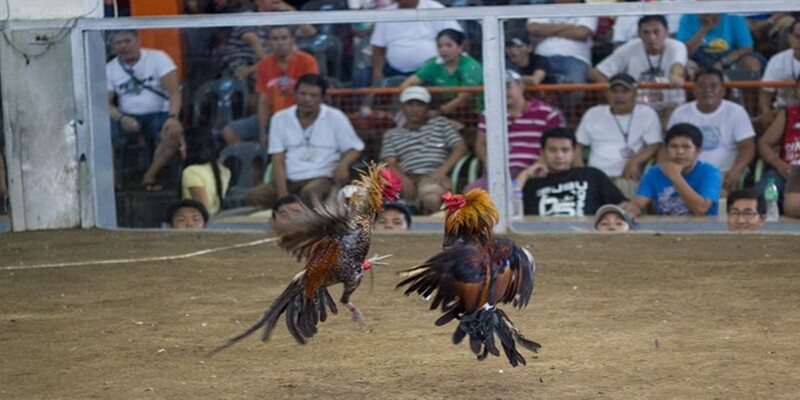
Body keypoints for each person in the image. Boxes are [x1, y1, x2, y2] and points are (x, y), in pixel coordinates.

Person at [244, 74, 364, 208]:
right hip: (290, 179)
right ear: (294, 94)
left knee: (311, 193)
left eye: (313, 95)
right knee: (255, 195)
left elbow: (356, 148)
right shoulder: (280, 118)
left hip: (322, 177)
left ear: (322, 98)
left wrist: (343, 165)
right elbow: (277, 159)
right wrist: (283, 196)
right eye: (303, 94)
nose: (307, 99)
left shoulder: (335, 117)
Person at [106, 30, 184, 191]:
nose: (123, 46)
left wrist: (173, 117)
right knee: (103, 139)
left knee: (172, 134)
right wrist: (121, 118)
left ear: (138, 41)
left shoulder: (158, 58)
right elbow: (105, 104)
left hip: (160, 113)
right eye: (118, 43)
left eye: (127, 41)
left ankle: (149, 176)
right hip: (127, 116)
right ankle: (114, 185)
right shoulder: (110, 68)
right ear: (113, 48)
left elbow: (175, 92)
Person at [221, 25, 320, 146]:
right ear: (269, 43)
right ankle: (256, 164)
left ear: (292, 40)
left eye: (284, 38)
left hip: (299, 117)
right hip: (272, 116)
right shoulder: (264, 65)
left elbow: (312, 96)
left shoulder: (307, 61)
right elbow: (263, 100)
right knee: (229, 131)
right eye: (275, 39)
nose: (280, 43)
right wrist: (263, 131)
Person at [468, 70, 564, 191]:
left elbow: (555, 144)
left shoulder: (547, 113)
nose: (503, 92)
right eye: (498, 88)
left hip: (535, 171)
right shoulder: (489, 115)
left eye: (508, 87)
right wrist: (488, 163)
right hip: (499, 174)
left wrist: (535, 167)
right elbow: (481, 144)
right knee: (470, 194)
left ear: (521, 87)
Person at [380, 86, 468, 215]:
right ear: (403, 108)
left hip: (433, 176)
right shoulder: (392, 134)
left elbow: (460, 148)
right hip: (405, 176)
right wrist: (403, 179)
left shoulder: (441, 124)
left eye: (419, 105)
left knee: (431, 199)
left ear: (427, 108)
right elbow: (390, 161)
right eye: (409, 104)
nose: (414, 109)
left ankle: (433, 234)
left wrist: (441, 172)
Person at [667, 68, 756, 194]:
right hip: (686, 172)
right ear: (694, 90)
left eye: (713, 86)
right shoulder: (680, 113)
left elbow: (747, 147)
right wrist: (670, 171)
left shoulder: (736, 112)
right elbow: (667, 147)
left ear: (723, 91)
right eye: (702, 86)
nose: (707, 90)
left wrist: (736, 170)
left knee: (715, 196)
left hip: (724, 173)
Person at [574, 73, 662, 199]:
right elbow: (578, 145)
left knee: (623, 209)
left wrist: (635, 161)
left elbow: (655, 144)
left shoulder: (647, 114)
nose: (619, 96)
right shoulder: (593, 113)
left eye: (625, 91)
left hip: (626, 177)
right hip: (595, 177)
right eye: (614, 91)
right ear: (607, 94)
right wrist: (580, 171)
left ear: (635, 93)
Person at [589, 15, 687, 120]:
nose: (652, 37)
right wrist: (612, 93)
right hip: (638, 109)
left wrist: (676, 76)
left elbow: (677, 65)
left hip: (670, 107)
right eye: (646, 32)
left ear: (666, 32)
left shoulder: (677, 46)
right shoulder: (629, 48)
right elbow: (595, 73)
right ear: (639, 34)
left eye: (656, 32)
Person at [520, 127, 628, 217]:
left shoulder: (592, 175)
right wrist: (525, 174)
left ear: (573, 152)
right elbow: (508, 208)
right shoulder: (532, 183)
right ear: (542, 153)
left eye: (565, 150)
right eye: (553, 150)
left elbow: (622, 205)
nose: (559, 156)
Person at [625, 123, 722, 217]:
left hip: (704, 229)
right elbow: (639, 202)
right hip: (665, 229)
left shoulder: (710, 172)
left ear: (698, 150)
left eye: (686, 147)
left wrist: (675, 177)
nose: (679, 152)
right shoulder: (654, 172)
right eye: (674, 146)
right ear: (666, 150)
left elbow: (701, 209)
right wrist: (632, 208)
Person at [369, 0, 462, 85]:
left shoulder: (435, 8)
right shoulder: (386, 14)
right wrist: (377, 74)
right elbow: (378, 48)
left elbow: (457, 38)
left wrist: (440, 62)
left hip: (430, 71)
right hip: (394, 71)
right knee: (364, 75)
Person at [526, 0, 597, 104]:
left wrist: (547, 30)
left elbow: (581, 33)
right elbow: (534, 28)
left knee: (575, 89)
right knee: (532, 87)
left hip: (574, 58)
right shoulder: (543, 8)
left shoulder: (587, 9)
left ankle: (565, 116)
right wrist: (568, 27)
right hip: (542, 56)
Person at [400, 29, 484, 115]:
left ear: (460, 47)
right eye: (440, 46)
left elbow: (463, 99)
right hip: (442, 110)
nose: (444, 50)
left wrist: (437, 113)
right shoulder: (433, 64)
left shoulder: (471, 67)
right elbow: (408, 83)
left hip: (472, 113)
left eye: (449, 46)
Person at [756, 76, 800, 201]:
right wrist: (780, 165)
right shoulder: (788, 113)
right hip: (787, 170)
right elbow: (764, 143)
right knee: (761, 194)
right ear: (796, 91)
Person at [676, 13, 762, 74]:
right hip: (697, 60)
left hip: (729, 59)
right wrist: (704, 28)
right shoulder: (687, 18)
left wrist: (722, 63)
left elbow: (746, 47)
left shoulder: (734, 16)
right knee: (682, 67)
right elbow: (685, 51)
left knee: (751, 63)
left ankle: (750, 99)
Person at [756, 20, 800, 131]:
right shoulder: (777, 60)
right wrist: (766, 113)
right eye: (797, 36)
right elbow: (765, 93)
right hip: (783, 112)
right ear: (790, 38)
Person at [180, 127, 231, 215]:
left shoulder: (191, 172)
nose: (180, 148)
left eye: (183, 144)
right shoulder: (224, 170)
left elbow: (203, 207)